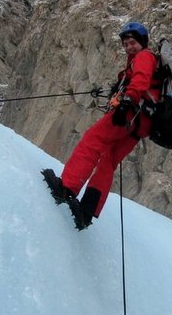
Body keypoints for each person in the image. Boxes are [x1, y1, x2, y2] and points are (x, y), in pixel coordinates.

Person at [43, 22, 161, 230]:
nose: (129, 47)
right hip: (140, 125)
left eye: (132, 42)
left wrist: (127, 101)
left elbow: (140, 81)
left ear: (143, 42)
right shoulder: (146, 62)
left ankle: (66, 188)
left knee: (92, 140)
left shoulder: (145, 57)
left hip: (129, 114)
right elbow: (142, 84)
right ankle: (86, 212)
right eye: (125, 44)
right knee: (108, 161)